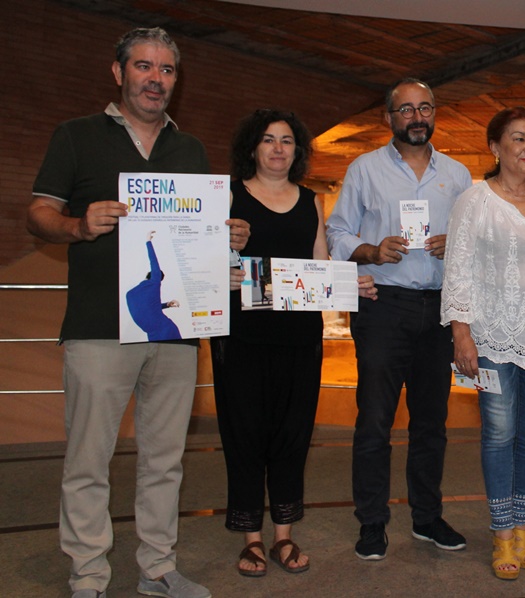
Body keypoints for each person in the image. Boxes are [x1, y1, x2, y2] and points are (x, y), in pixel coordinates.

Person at [27, 27, 250, 598]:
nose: (156, 79)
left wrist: (229, 237)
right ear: (119, 72)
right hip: (99, 329)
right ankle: (88, 577)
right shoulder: (76, 136)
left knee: (165, 461)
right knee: (88, 461)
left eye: (167, 70)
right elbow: (39, 214)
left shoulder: (191, 150)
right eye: (144, 67)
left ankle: (157, 569)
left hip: (175, 330)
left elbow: (199, 238)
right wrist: (78, 225)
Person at [211, 109, 377, 578]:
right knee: (245, 435)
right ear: (252, 148)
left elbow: (319, 268)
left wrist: (351, 283)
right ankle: (251, 538)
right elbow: (204, 261)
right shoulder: (228, 197)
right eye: (268, 140)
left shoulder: (311, 201)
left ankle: (283, 534)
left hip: (300, 336)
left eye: (287, 140)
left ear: (297, 151)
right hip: (241, 336)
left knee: (292, 434)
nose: (278, 148)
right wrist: (222, 271)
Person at [326, 78, 473, 561]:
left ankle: (427, 517)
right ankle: (372, 522)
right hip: (382, 304)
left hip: (438, 309)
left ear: (435, 115)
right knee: (375, 420)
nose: (416, 117)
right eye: (406, 109)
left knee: (432, 422)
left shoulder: (457, 174)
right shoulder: (364, 169)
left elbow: (474, 237)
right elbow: (337, 230)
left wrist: (458, 242)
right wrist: (369, 249)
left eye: (424, 108)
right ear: (388, 118)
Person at [442, 107, 525, 579]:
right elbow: (457, 269)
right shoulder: (475, 199)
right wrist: (462, 334)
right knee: (499, 435)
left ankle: (522, 523)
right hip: (493, 336)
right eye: (518, 138)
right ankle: (501, 532)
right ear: (495, 147)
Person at [125, 231, 183, 340]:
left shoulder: (130, 294)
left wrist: (167, 304)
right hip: (164, 329)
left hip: (154, 334)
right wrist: (148, 241)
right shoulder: (154, 282)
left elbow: (148, 308)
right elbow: (154, 261)